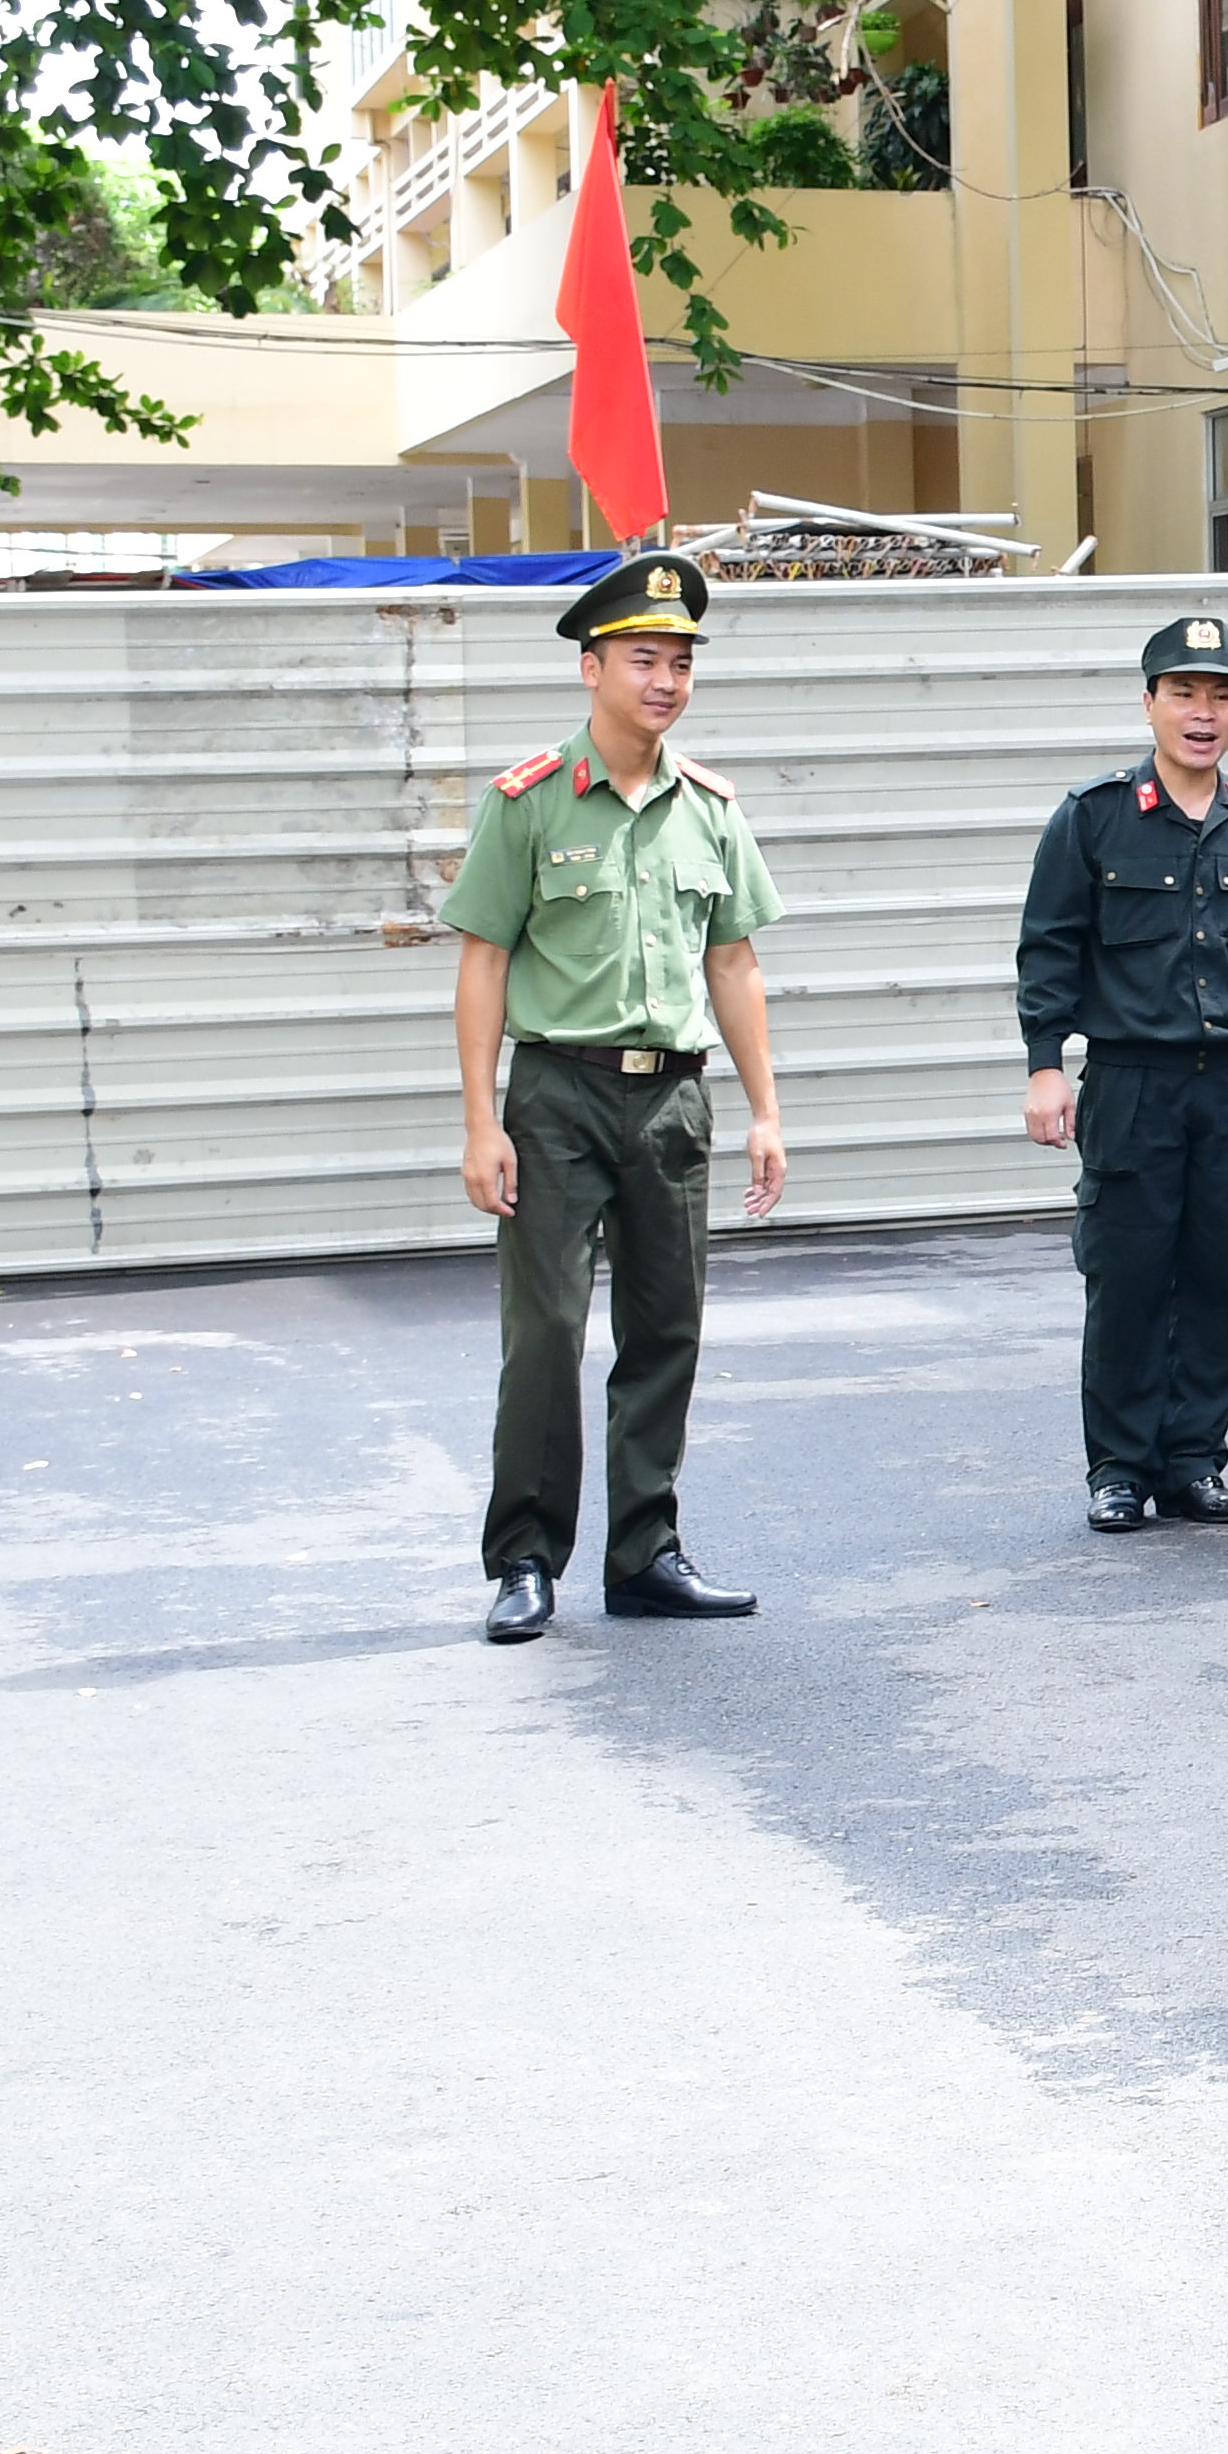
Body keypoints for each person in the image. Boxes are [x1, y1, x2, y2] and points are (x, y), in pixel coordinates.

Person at [447, 560, 789, 1644]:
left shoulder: (711, 808)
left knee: (667, 1330)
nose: (666, 679)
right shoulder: (531, 800)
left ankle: (645, 1551)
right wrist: (479, 1121)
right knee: (545, 1331)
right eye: (644, 658)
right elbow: (483, 962)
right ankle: (526, 1559)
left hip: (671, 1102)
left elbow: (732, 962)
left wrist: (765, 1110)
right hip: (556, 1095)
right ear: (591, 667)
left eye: (681, 661)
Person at [1020, 614, 1228, 1530]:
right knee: (1127, 1277)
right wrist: (1045, 1065)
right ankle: (1118, 1466)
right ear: (1149, 701)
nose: (1204, 713)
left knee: (1222, 1276)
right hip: (1132, 1082)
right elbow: (1049, 950)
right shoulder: (1095, 817)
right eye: (1186, 693)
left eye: (1222, 695)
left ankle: (1194, 1459)